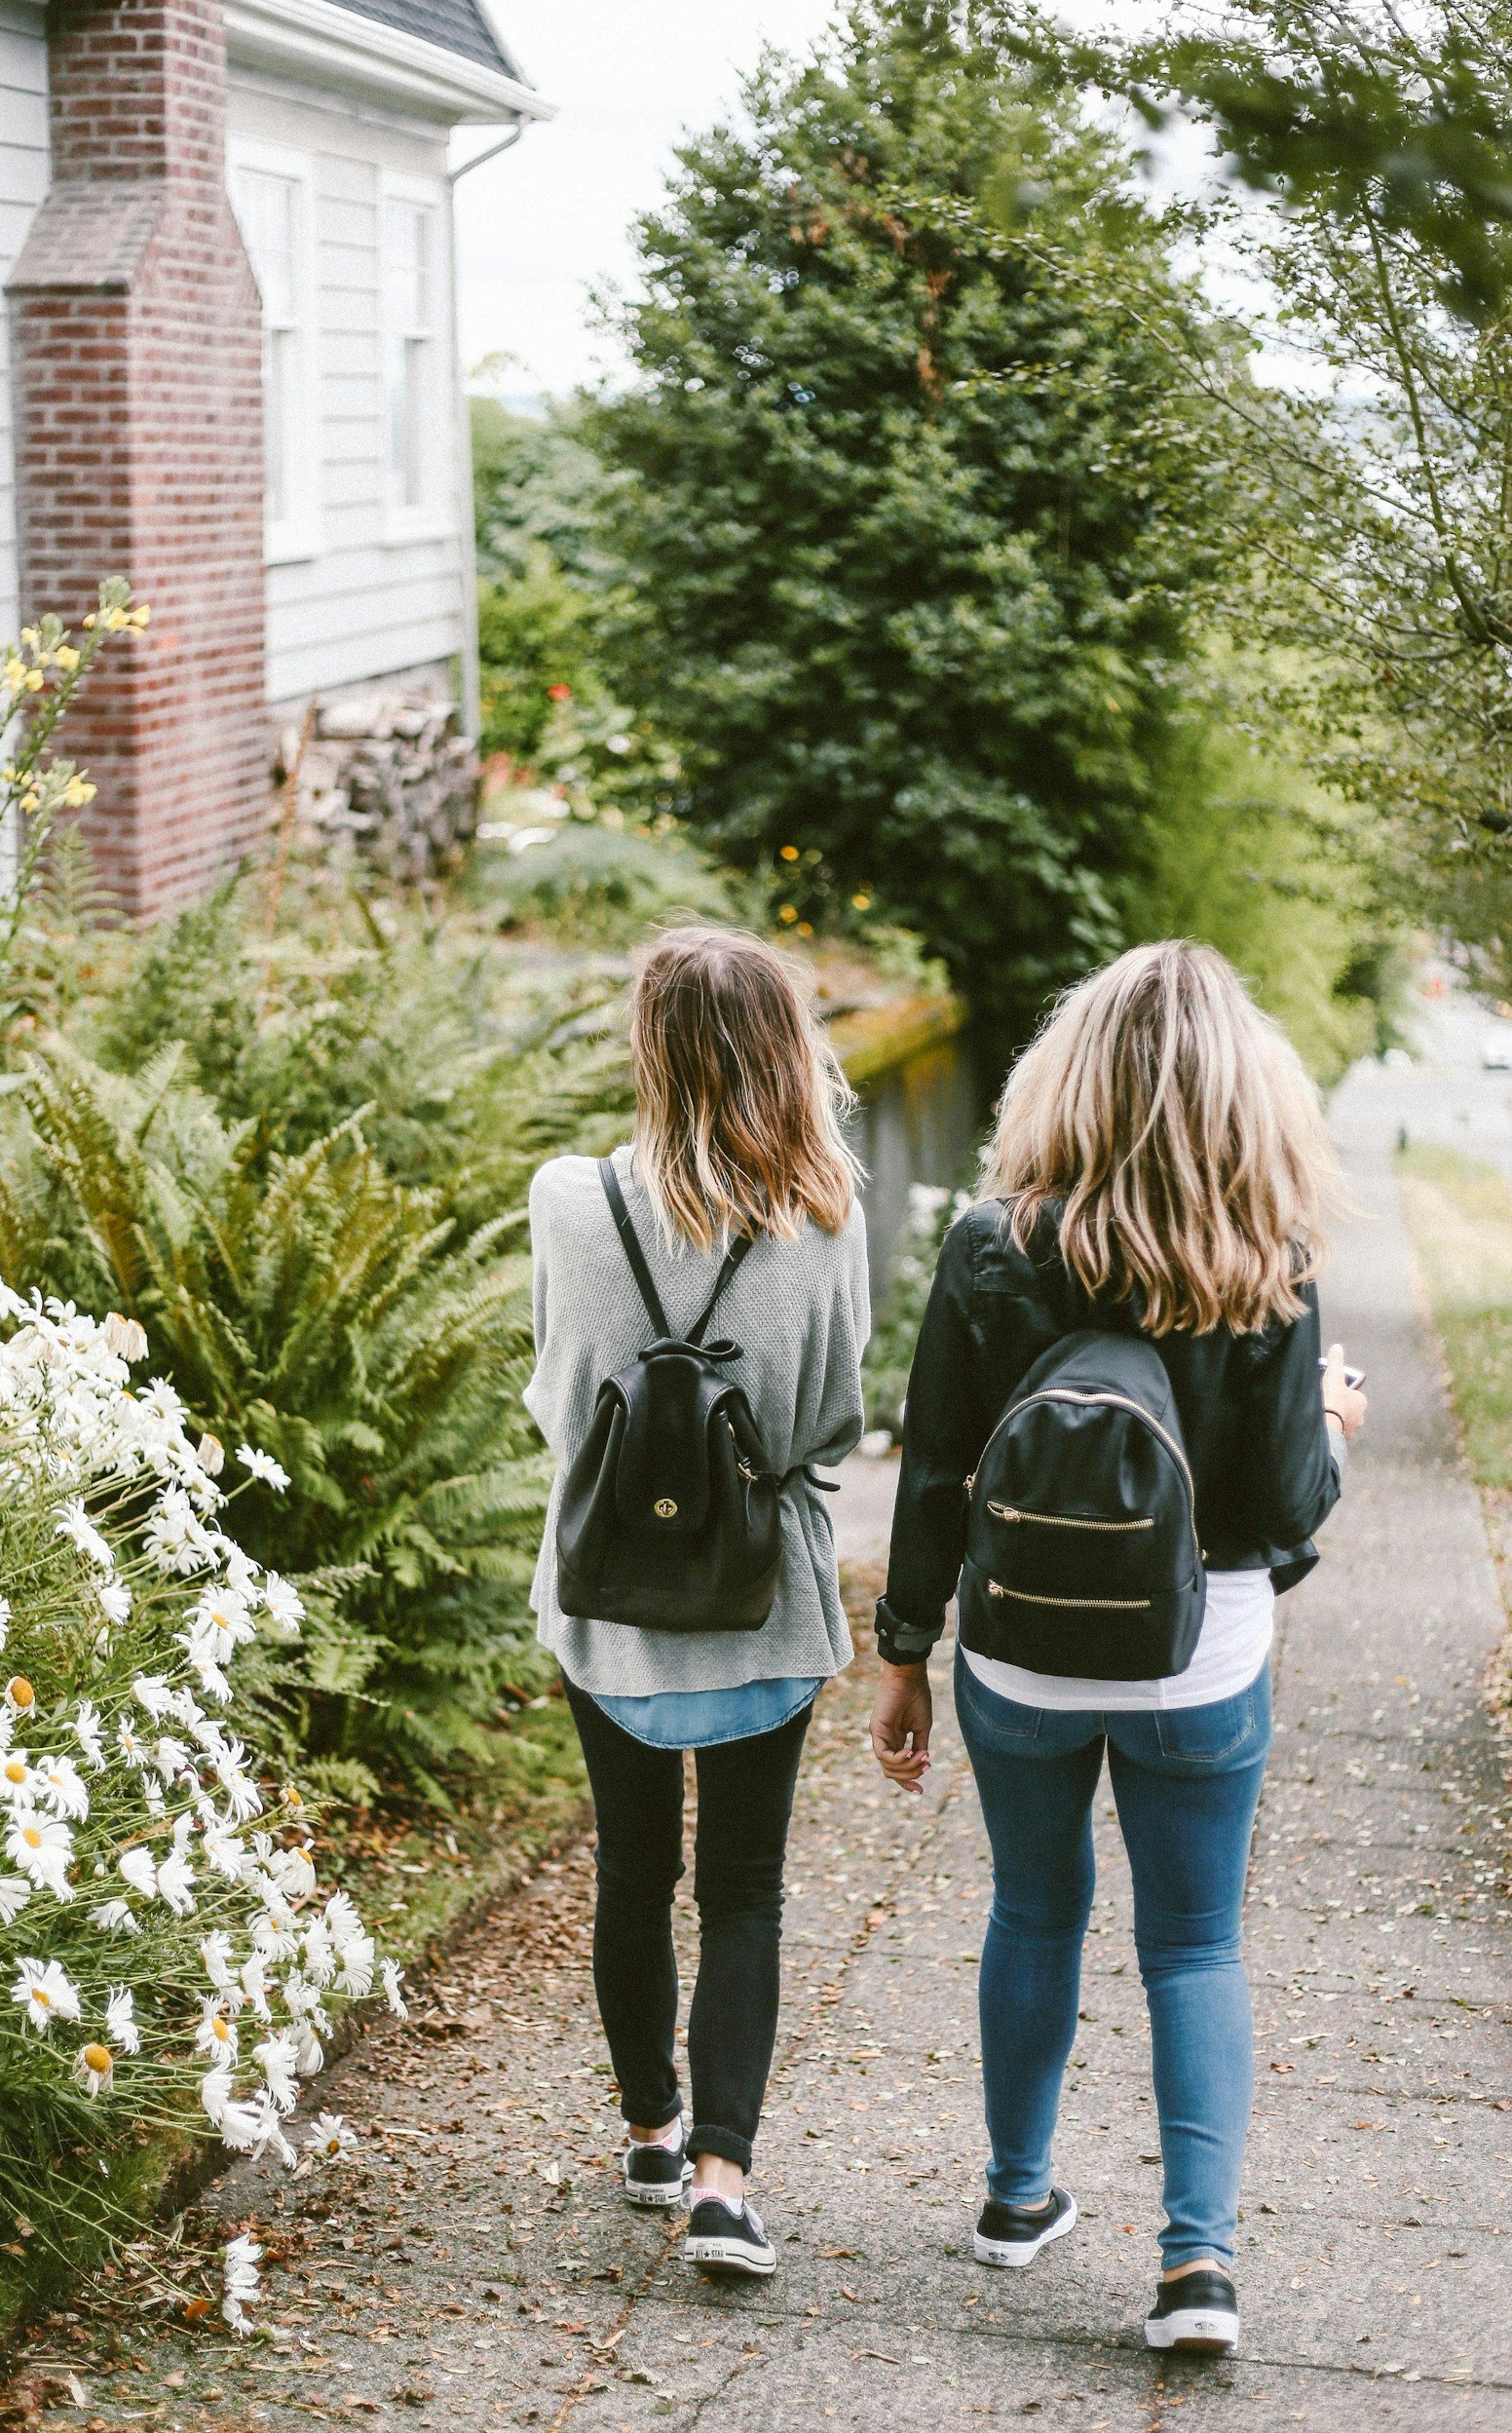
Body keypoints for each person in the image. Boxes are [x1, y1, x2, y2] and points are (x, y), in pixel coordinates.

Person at [867, 940, 1366, 2356]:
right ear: (1244, 1092)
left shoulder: (989, 1242)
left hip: (1018, 1658)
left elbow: (935, 1470)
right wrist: (1331, 1420)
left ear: (1066, 1074)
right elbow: (1277, 1510)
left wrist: (904, 1650)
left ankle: (1016, 2201)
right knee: (1195, 1943)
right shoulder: (1265, 1257)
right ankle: (1196, 2268)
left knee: (1035, 1912)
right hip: (1201, 1657)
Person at [525, 926, 869, 2280]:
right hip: (760, 1609)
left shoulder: (568, 1200)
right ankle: (725, 2184)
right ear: (786, 1050)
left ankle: (653, 2130)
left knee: (630, 1867)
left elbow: (555, 1399)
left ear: (650, 1047)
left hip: (608, 1606)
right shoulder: (826, 1214)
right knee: (743, 1893)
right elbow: (835, 1420)